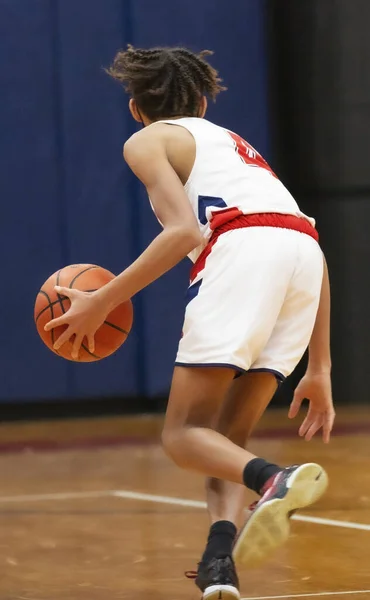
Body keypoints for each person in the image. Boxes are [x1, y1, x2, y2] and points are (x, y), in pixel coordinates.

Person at [45, 46, 335, 600]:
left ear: (136, 109)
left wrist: (101, 300)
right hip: (301, 256)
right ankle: (218, 563)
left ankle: (277, 479)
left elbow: (183, 233)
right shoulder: (237, 147)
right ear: (203, 101)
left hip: (242, 253)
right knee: (223, 440)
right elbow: (310, 247)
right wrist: (318, 368)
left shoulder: (147, 139)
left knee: (182, 436)